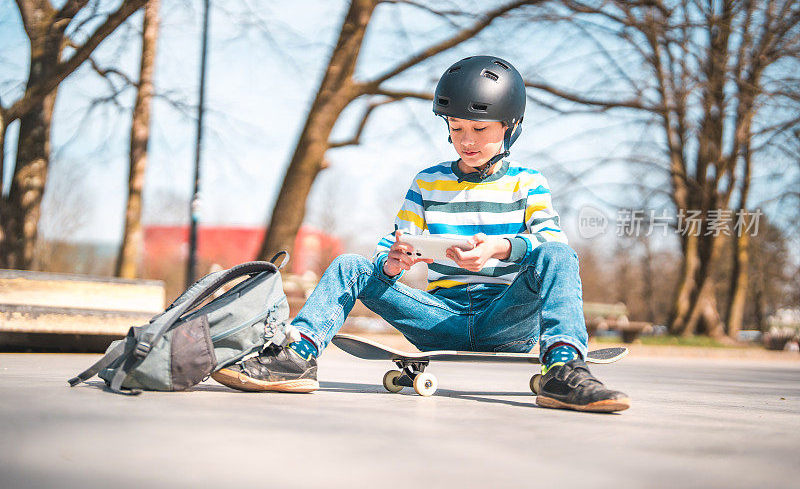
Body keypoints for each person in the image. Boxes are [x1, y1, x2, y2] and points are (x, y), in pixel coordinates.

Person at [212, 55, 631, 413]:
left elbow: (549, 242)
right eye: (456, 127)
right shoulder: (427, 182)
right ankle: (297, 356)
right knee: (351, 265)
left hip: (504, 317)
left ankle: (563, 369)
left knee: (560, 256)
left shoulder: (528, 182)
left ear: (510, 126)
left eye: (479, 129)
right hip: (438, 317)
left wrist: (502, 248)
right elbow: (391, 244)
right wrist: (392, 263)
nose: (465, 141)